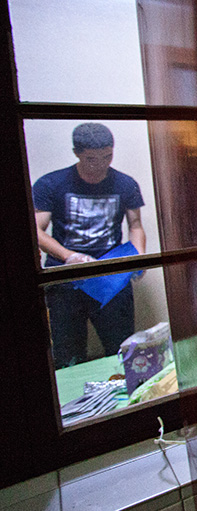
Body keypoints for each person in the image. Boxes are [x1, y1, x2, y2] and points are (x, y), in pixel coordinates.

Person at [33, 123, 147, 369]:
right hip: (66, 279)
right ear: (77, 153)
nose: (101, 165)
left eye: (108, 156)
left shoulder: (125, 184)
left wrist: (138, 258)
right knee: (68, 354)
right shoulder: (51, 183)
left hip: (111, 277)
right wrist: (69, 256)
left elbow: (136, 225)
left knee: (121, 348)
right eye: (91, 159)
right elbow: (36, 231)